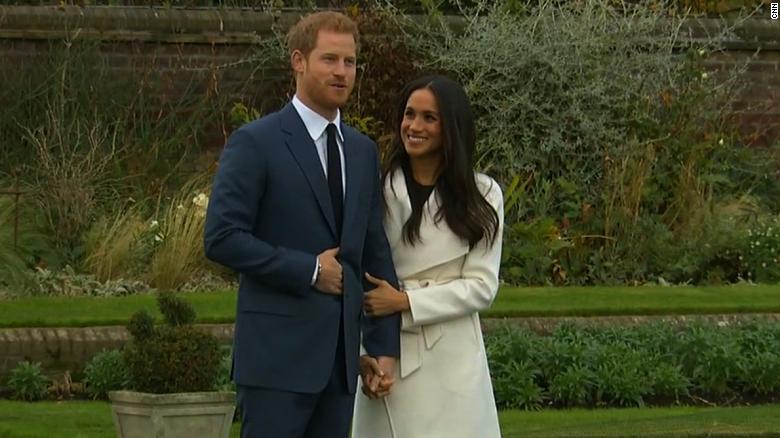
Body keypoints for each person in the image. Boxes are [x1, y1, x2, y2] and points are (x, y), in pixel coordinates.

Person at [203, 11, 400, 438]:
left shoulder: (363, 152)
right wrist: (309, 270)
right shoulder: (256, 142)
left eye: (349, 62)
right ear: (298, 61)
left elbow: (373, 253)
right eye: (330, 59)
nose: (342, 72)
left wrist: (383, 348)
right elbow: (222, 238)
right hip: (276, 363)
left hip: (341, 368)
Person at [352, 75, 504, 438]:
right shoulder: (377, 187)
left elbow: (482, 287)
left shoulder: (483, 194)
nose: (414, 126)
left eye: (429, 118)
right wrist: (367, 352)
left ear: (450, 127)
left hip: (452, 358)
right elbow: (362, 273)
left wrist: (405, 300)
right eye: (409, 114)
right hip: (389, 349)